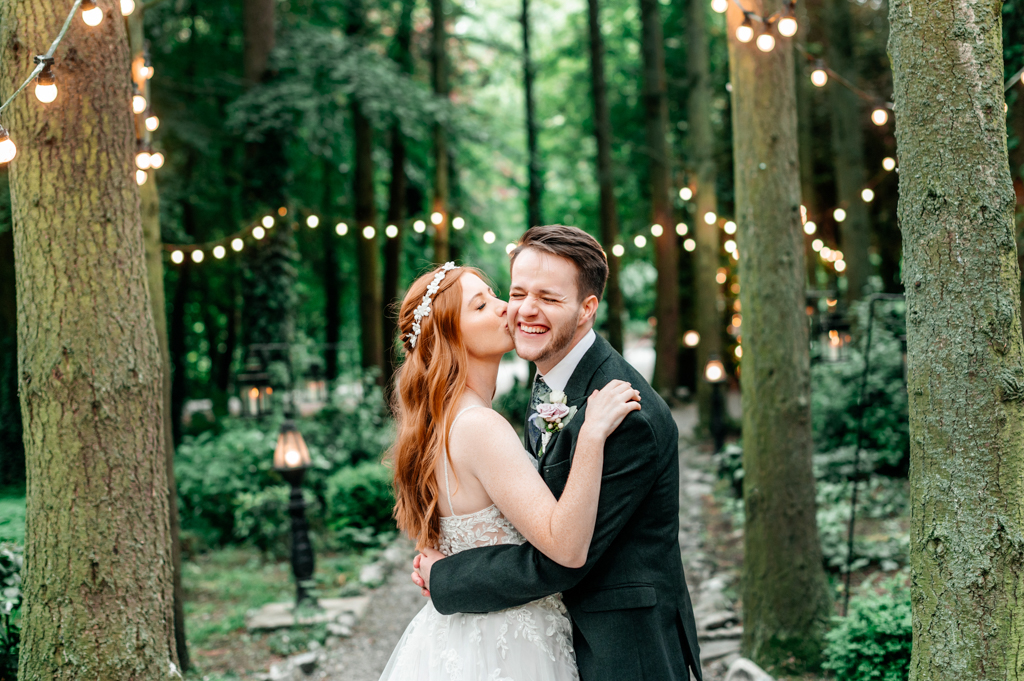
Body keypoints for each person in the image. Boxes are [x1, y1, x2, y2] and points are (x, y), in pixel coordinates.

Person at [412, 225, 703, 681]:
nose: (523, 310)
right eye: (518, 292)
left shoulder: (625, 416)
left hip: (624, 654)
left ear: (588, 308)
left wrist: (448, 577)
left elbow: (565, 556)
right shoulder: (549, 379)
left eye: (548, 297)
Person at [379, 260, 642, 680]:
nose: (507, 308)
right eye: (482, 306)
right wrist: (591, 436)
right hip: (510, 651)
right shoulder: (479, 426)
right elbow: (567, 548)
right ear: (450, 338)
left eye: (495, 295)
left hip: (467, 635)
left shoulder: (445, 421)